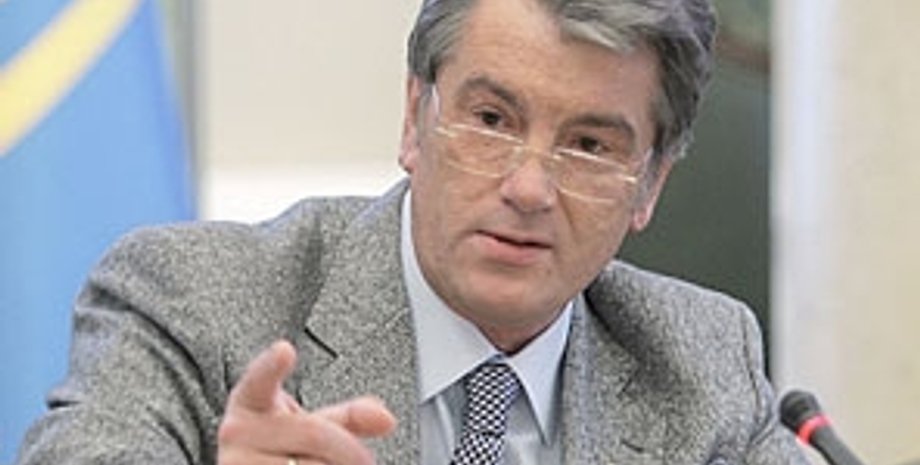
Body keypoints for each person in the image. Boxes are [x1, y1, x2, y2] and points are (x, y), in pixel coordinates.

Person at [17, 0, 810, 464]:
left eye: (589, 146)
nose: (529, 187)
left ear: (650, 183)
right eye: (491, 119)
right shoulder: (195, 303)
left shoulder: (701, 362)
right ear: (412, 118)